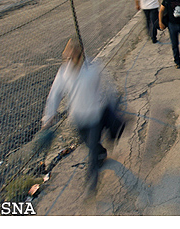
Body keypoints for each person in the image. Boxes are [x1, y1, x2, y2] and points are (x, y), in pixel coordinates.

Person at [41, 38, 125, 193]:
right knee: (90, 145)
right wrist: (48, 117)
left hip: (95, 115)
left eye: (71, 56)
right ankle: (102, 153)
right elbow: (55, 94)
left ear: (79, 55)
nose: (68, 60)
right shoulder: (64, 72)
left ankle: (91, 182)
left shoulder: (92, 68)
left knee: (92, 148)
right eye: (67, 57)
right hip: (78, 119)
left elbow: (108, 86)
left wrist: (113, 107)